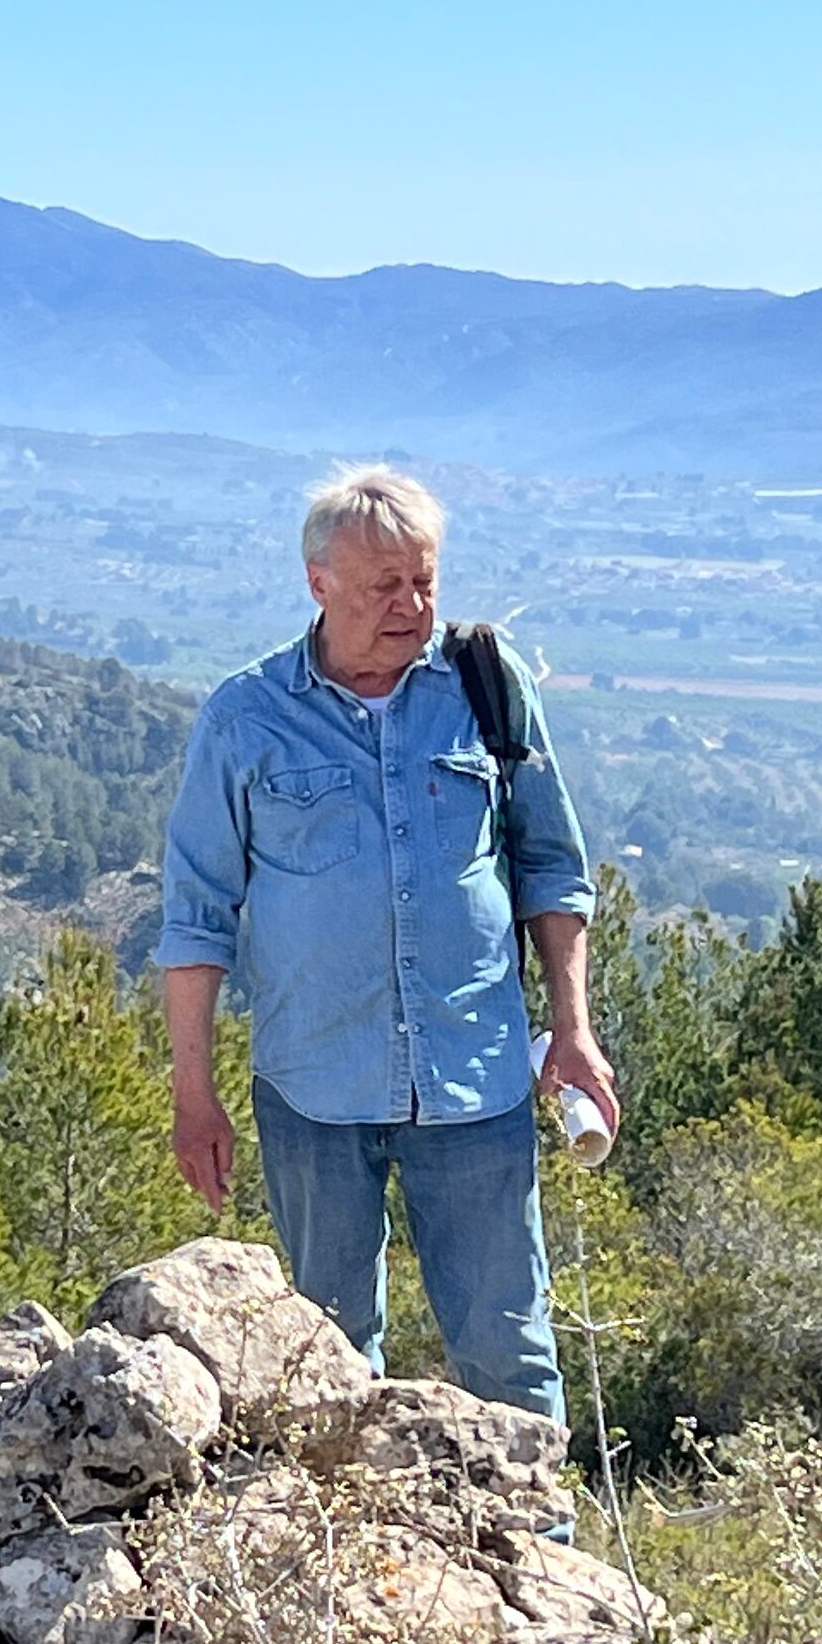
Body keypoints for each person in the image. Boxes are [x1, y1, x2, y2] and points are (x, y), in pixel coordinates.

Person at [154, 468, 618, 1423]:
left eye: (424, 582)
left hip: (476, 1080)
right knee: (327, 1362)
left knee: (508, 1351)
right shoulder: (245, 719)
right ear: (319, 585)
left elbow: (553, 871)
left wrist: (572, 1028)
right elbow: (195, 918)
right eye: (384, 586)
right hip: (312, 1089)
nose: (411, 606)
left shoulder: (487, 689)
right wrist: (192, 1096)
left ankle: (544, 1563)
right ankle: (355, 1560)